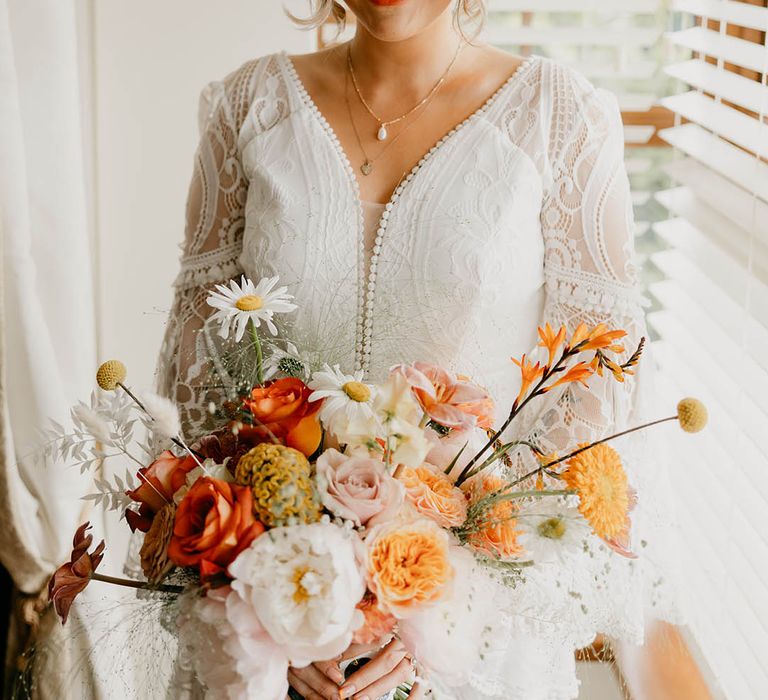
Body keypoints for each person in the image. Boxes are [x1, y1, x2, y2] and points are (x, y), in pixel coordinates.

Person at [154, 0, 681, 697]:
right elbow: (206, 365)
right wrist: (287, 607)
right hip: (268, 629)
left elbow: (594, 390)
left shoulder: (561, 117)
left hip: (475, 632)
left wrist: (428, 601)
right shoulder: (247, 107)